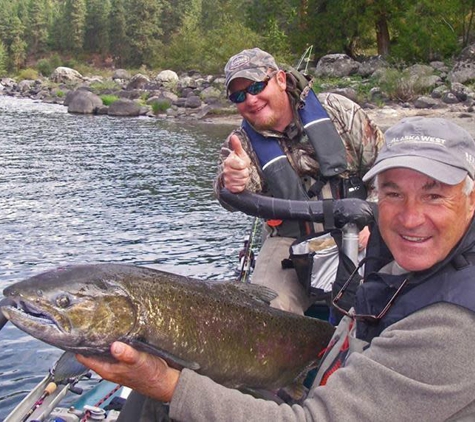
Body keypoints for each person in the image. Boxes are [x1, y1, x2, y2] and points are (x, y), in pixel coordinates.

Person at [78, 117, 475, 421]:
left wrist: (169, 385)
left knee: (164, 398)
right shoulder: (420, 259)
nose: (410, 217)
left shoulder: (452, 328)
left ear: (470, 200)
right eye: (393, 194)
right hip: (333, 378)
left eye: (434, 196)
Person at [214, 47, 384, 315]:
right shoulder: (240, 144)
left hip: (363, 230)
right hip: (290, 244)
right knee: (266, 312)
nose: (250, 99)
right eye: (238, 95)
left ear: (280, 80)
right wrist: (233, 180)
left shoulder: (339, 111)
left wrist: (377, 220)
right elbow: (229, 194)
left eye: (257, 86)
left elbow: (384, 169)